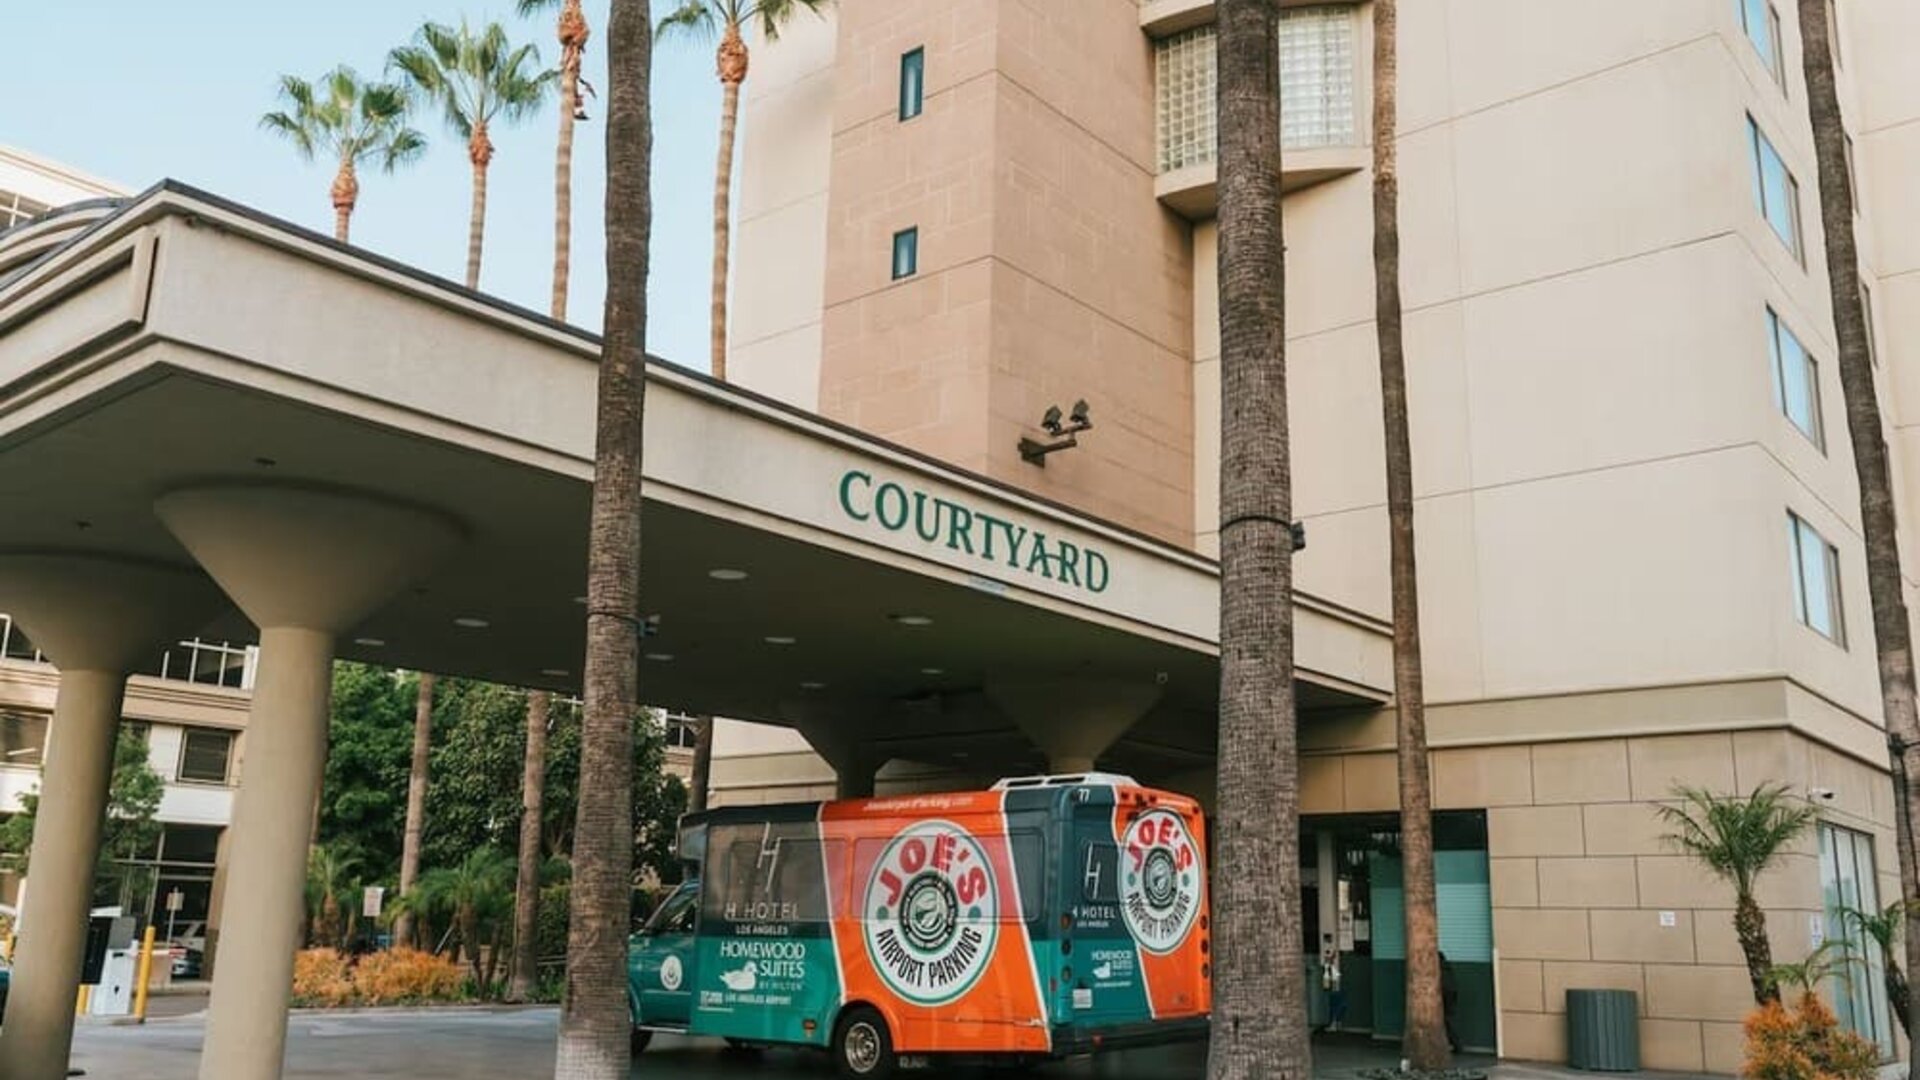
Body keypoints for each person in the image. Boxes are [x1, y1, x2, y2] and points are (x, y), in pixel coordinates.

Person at [1319, 932, 1347, 1032]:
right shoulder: (1331, 951)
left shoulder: (1330, 953)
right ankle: (1336, 1023)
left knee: (1335, 1002)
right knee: (1336, 1001)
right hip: (1333, 978)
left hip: (1333, 979)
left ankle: (1334, 1023)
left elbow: (1328, 962)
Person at [1440, 949, 1461, 1053]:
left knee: (1447, 1020)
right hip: (1451, 994)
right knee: (1449, 1019)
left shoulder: (1440, 970)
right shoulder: (1447, 968)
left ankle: (1455, 1043)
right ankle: (1455, 1043)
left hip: (1445, 995)